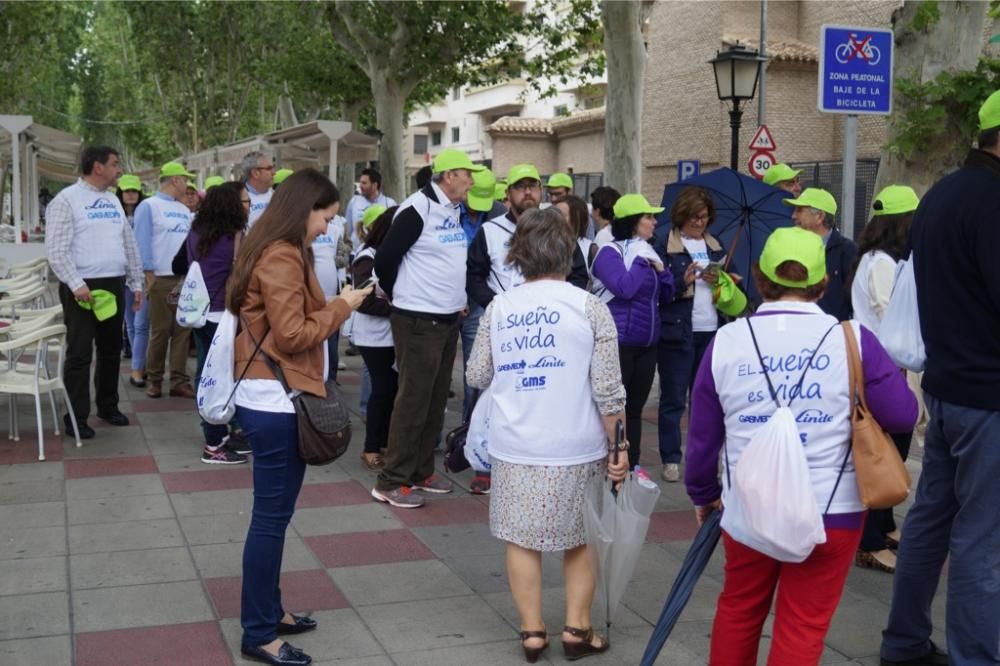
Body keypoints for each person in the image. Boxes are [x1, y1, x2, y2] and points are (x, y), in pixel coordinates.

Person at [685, 226, 917, 665]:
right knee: (803, 624)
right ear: (823, 283)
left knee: (739, 609)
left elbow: (702, 437)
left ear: (758, 277)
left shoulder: (728, 341)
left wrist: (704, 495)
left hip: (748, 506)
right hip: (834, 508)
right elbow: (904, 415)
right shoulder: (854, 339)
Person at [466, 207, 628, 663]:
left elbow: (477, 373)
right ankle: (577, 629)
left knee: (522, 539)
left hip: (516, 443)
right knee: (581, 538)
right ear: (567, 252)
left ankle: (532, 632)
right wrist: (620, 448)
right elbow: (608, 390)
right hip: (577, 443)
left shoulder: (500, 307)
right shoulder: (590, 307)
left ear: (518, 254)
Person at [227, 169, 370, 666]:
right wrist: (341, 307)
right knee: (269, 521)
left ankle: (270, 611)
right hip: (274, 401)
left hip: (273, 396)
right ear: (303, 210)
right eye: (326, 218)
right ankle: (258, 633)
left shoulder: (274, 248)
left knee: (275, 518)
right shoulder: (282, 255)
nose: (329, 228)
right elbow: (291, 335)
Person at [879, 90, 1000, 666]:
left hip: (948, 385)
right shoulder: (994, 199)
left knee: (929, 521)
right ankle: (976, 656)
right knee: (983, 538)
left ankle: (903, 643)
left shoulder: (941, 195)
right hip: (990, 395)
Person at [370, 148, 483, 509]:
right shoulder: (417, 208)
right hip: (417, 320)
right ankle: (391, 480)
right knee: (412, 403)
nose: (472, 180)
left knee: (434, 401)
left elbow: (448, 260)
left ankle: (420, 471)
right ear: (448, 176)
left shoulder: (451, 208)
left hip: (447, 318)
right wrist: (398, 294)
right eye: (468, 174)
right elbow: (385, 258)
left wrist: (457, 297)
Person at [45, 145, 143, 440]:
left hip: (113, 283)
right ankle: (75, 416)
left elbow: (129, 245)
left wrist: (136, 282)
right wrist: (76, 284)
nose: (119, 170)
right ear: (97, 167)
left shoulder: (113, 201)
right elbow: (56, 250)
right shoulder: (66, 201)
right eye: (114, 164)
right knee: (79, 353)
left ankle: (108, 405)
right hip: (81, 286)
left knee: (111, 348)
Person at [848, 185, 920, 574]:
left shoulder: (879, 259)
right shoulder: (883, 264)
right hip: (884, 370)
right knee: (885, 452)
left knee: (889, 448)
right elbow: (892, 314)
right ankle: (870, 542)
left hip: (880, 367)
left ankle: (885, 526)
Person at [591, 194, 674, 477]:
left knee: (636, 409)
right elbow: (624, 289)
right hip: (619, 343)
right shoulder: (609, 252)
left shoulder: (646, 251)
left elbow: (667, 293)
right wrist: (642, 260)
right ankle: (608, 462)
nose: (654, 222)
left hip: (648, 343)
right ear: (632, 222)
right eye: (648, 217)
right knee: (615, 408)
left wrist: (662, 272)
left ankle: (633, 463)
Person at [655, 186, 729, 483]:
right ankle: (671, 458)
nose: (699, 223)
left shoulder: (716, 246)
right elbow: (657, 289)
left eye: (704, 217)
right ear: (681, 216)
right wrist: (680, 279)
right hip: (677, 331)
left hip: (711, 330)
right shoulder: (664, 244)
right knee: (673, 399)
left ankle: (703, 455)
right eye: (694, 217)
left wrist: (723, 278)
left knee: (707, 399)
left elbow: (732, 284)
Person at [185, 182, 251, 465]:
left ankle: (218, 432)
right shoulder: (235, 238)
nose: (249, 206)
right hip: (225, 316)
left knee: (206, 372)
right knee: (223, 376)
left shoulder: (196, 232)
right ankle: (215, 442)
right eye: (245, 202)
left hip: (200, 313)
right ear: (232, 206)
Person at [467, 163, 590, 314]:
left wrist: (559, 305)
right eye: (520, 186)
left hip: (550, 316)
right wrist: (495, 304)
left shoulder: (556, 225)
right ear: (508, 192)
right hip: (505, 317)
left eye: (532, 186)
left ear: (540, 190)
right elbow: (474, 276)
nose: (527, 192)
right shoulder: (490, 230)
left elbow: (578, 274)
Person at [456, 167, 507, 494]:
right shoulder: (448, 210)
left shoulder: (498, 215)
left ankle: (471, 438)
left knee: (477, 376)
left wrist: (483, 300)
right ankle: (443, 440)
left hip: (481, 306)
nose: (477, 209)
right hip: (447, 300)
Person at [133, 162, 196, 399]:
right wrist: (148, 274)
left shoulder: (182, 209)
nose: (188, 185)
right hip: (160, 277)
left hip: (184, 278)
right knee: (160, 331)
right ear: (175, 181)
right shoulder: (148, 206)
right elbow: (141, 241)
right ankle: (155, 380)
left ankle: (179, 381)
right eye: (185, 179)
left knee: (182, 332)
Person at [351, 206, 397, 471]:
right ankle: (371, 447)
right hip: (372, 336)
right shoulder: (366, 258)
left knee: (393, 388)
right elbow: (363, 301)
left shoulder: (395, 255)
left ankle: (386, 442)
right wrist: (400, 307)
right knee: (382, 389)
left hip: (393, 334)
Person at [784, 187, 856, 321]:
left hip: (833, 335)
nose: (793, 216)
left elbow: (855, 299)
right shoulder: (791, 248)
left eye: (799, 210)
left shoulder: (847, 251)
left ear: (820, 216)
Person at [311, 183, 350, 382]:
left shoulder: (334, 231)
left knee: (332, 339)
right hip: (310, 295)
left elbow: (343, 257)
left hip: (331, 291)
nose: (325, 227)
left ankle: (331, 378)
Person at [116, 174, 146, 373]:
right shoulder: (114, 213)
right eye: (127, 191)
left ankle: (139, 365)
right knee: (130, 322)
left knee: (141, 323)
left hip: (143, 274)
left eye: (134, 191)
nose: (130, 195)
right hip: (122, 273)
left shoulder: (146, 212)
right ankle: (138, 363)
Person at [345, 168, 396, 251]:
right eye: (360, 182)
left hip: (379, 252)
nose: (360, 186)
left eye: (364, 183)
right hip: (356, 253)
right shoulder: (354, 201)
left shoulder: (390, 204)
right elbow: (348, 230)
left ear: (375, 185)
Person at [553, 194, 596, 278]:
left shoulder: (590, 249)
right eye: (554, 214)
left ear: (576, 219)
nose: (554, 218)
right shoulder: (544, 247)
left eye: (561, 215)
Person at [242, 151, 275, 229]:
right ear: (255, 173)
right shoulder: (237, 198)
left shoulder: (277, 195)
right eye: (269, 168)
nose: (274, 173)